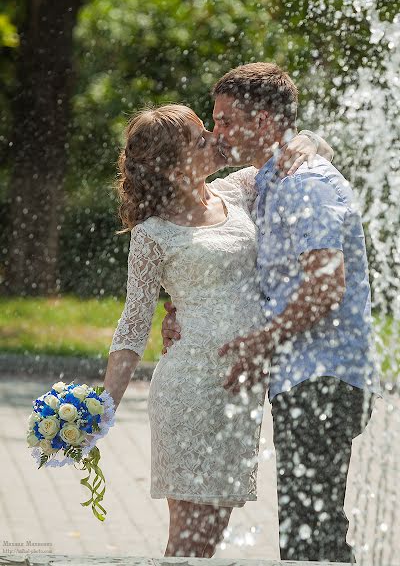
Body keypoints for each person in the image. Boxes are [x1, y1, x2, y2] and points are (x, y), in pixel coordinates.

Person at [162, 62, 382, 562]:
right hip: (303, 377)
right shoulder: (270, 178)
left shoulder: (304, 182)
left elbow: (325, 286)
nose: (217, 131)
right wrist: (182, 304)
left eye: (223, 119)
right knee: (307, 528)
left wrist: (263, 340)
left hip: (324, 377)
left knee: (314, 532)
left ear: (261, 122)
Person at [102, 100, 333, 558]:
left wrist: (300, 141)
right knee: (191, 540)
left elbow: (316, 146)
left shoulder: (238, 190)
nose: (214, 137)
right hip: (189, 389)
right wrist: (102, 406)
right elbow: (132, 328)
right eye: (199, 136)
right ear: (172, 163)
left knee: (208, 536)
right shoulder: (153, 234)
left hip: (240, 390)